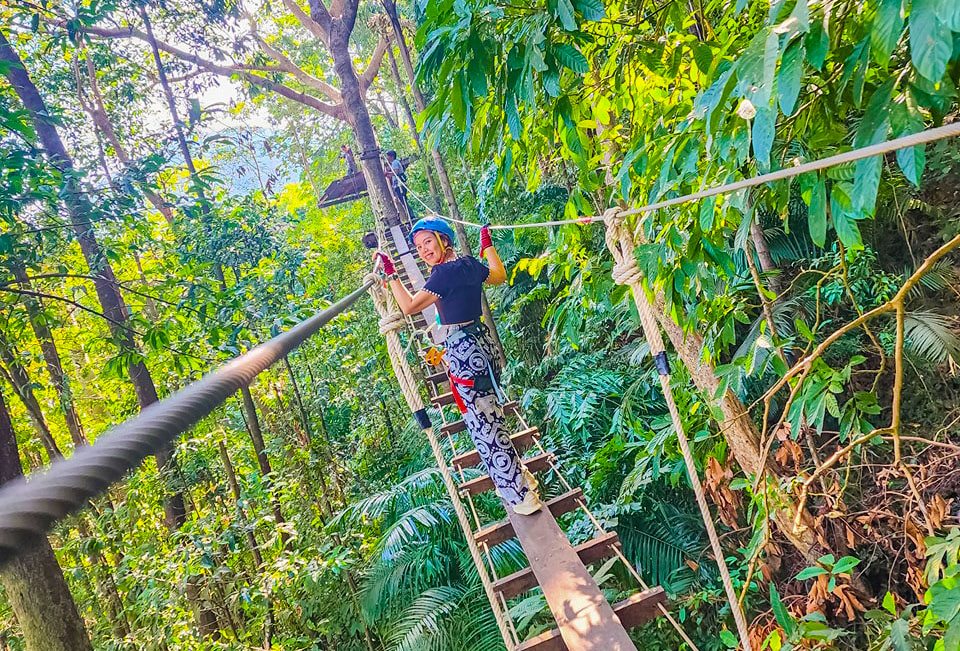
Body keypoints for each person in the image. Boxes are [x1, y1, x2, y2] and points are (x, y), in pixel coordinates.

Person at [375, 217, 542, 515]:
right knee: (492, 414)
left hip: (464, 351)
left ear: (444, 240)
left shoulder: (442, 274)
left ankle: (521, 496)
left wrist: (391, 276)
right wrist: (487, 245)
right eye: (418, 246)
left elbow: (411, 307)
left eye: (428, 242)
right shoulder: (468, 265)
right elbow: (499, 275)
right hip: (483, 344)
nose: (423, 250)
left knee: (482, 424)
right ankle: (521, 478)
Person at [385, 150, 415, 221]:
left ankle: (411, 216)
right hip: (398, 185)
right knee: (403, 200)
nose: (387, 158)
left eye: (388, 156)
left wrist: (388, 173)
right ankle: (410, 215)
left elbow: (396, 172)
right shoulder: (394, 163)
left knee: (403, 200)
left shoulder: (395, 162)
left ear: (392, 156)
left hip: (400, 185)